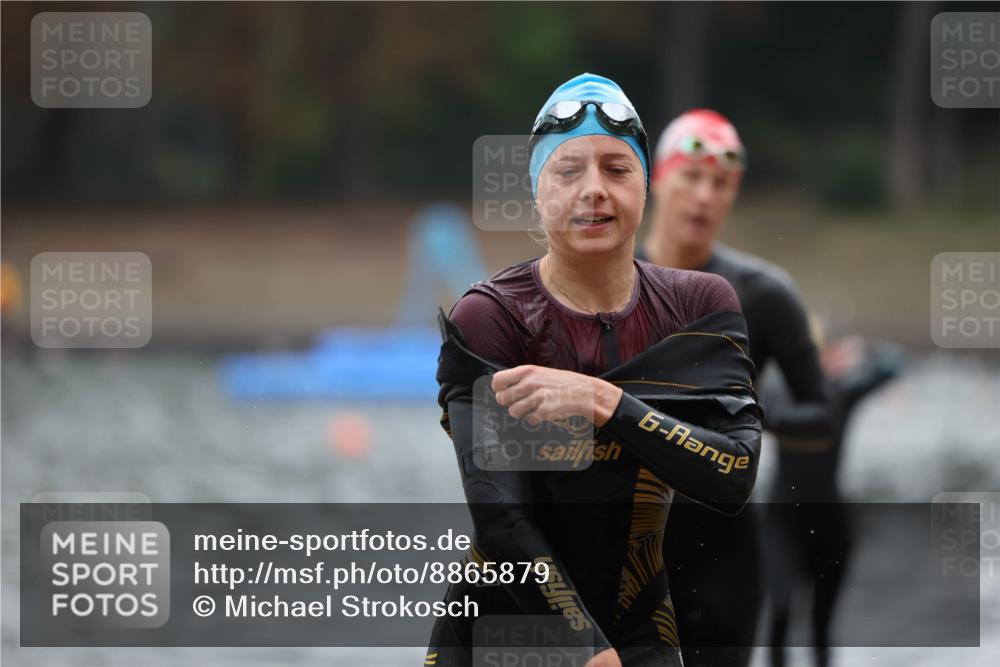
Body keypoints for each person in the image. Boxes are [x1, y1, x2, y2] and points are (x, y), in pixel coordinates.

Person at [425, 75, 763, 667]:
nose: (594, 190)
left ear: (646, 186)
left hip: (642, 630)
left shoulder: (699, 307)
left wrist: (604, 403)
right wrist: (588, 652)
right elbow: (502, 521)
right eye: (568, 171)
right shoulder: (491, 318)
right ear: (537, 190)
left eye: (616, 169)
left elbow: (733, 474)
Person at [640, 109, 833, 667]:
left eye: (721, 183)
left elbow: (822, 417)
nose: (705, 196)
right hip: (623, 549)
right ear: (658, 179)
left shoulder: (764, 294)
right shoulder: (608, 281)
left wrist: (748, 414)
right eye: (692, 177)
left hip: (724, 552)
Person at [760, 334, 904, 667]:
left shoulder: (842, 393)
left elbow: (893, 365)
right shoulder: (778, 392)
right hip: (783, 522)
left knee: (821, 627)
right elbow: (769, 411)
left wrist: (862, 349)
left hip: (830, 522)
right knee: (780, 611)